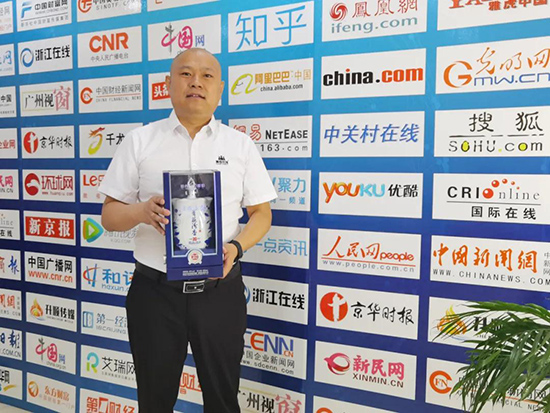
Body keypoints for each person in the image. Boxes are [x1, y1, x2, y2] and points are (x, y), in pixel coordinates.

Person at [98, 48, 276, 413]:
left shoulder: (239, 145)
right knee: (154, 402)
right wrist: (140, 211)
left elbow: (261, 214)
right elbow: (109, 216)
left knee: (223, 401)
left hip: (219, 292)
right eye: (186, 73)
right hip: (155, 294)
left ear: (220, 88)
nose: (196, 82)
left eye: (207, 75)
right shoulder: (140, 141)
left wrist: (236, 248)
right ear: (168, 84)